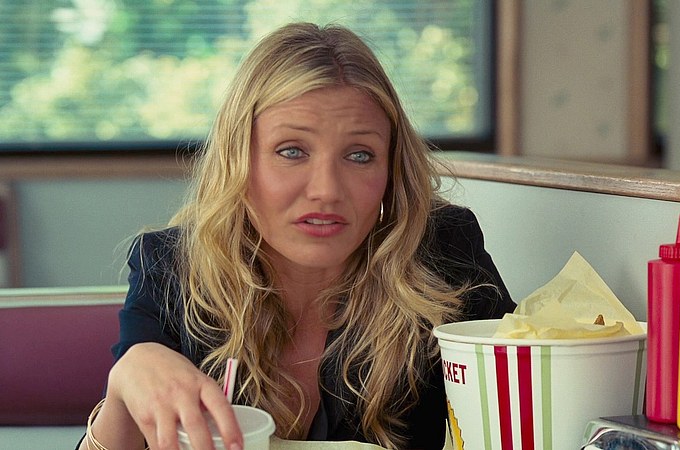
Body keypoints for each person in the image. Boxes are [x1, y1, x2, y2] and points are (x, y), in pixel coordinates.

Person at [79, 22, 514, 450]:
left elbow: (524, 406)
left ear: (391, 171)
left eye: (359, 155)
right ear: (239, 160)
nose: (326, 190)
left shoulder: (442, 254)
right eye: (292, 151)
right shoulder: (171, 268)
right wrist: (124, 383)